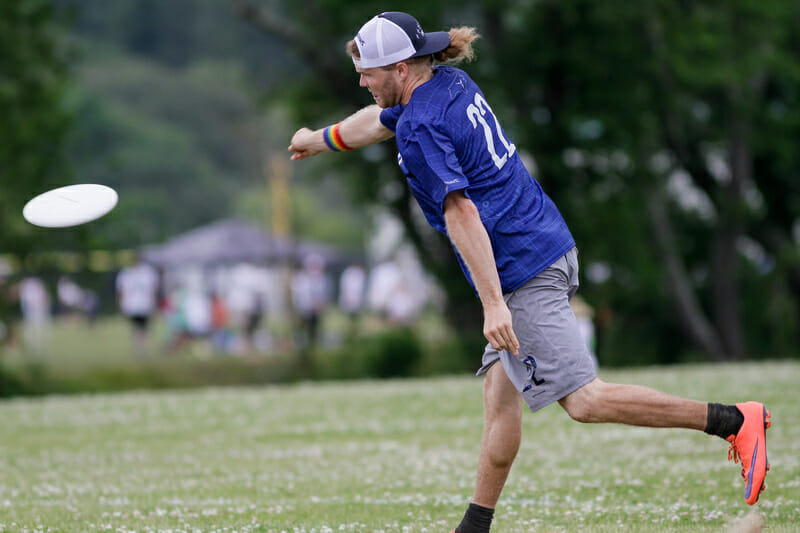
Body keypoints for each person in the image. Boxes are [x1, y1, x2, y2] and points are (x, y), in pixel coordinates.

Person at [287, 11, 771, 531]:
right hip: (545, 240)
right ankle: (474, 526)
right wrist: (321, 138)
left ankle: (734, 421)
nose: (362, 80)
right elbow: (376, 121)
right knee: (500, 404)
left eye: (370, 72)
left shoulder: (421, 125)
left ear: (402, 68)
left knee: (584, 400)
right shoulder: (445, 83)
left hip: (521, 269)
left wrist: (494, 303)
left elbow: (461, 214)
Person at [115, 261, 160, 357]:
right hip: (138, 305)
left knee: (140, 328)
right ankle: (140, 347)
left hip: (139, 305)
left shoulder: (129, 273)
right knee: (141, 328)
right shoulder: (144, 272)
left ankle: (139, 347)